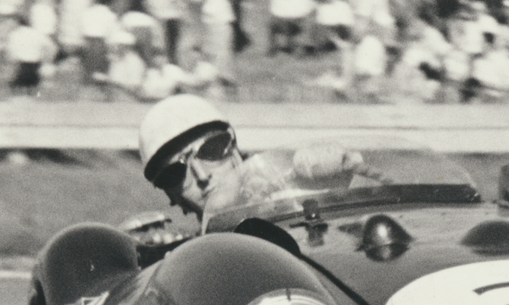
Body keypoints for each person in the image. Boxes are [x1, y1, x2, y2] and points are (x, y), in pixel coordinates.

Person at [137, 94, 379, 222]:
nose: (202, 176)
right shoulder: (184, 268)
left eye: (212, 149)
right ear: (170, 194)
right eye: (174, 173)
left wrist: (340, 168)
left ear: (235, 150)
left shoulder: (292, 193)